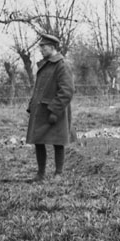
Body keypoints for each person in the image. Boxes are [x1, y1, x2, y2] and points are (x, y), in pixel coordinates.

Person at [25, 33, 75, 180]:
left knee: (58, 142)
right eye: (40, 47)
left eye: (43, 47)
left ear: (52, 47)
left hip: (54, 111)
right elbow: (39, 88)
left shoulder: (61, 65)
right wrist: (31, 105)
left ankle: (58, 173)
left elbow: (67, 91)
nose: (41, 50)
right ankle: (40, 174)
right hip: (40, 110)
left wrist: (55, 110)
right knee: (38, 140)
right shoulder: (45, 64)